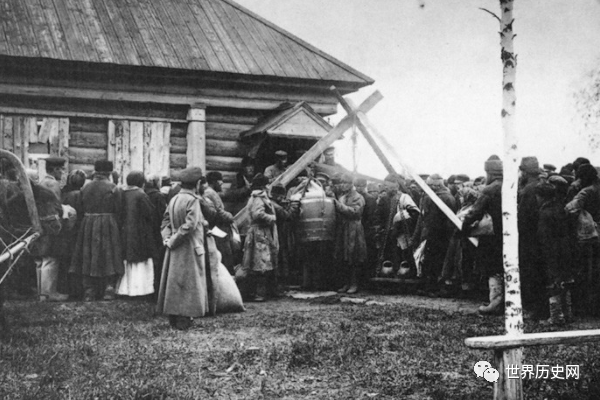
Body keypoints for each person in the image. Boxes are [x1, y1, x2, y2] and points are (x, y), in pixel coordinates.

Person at [157, 167, 208, 330]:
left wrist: (167, 238)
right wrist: (173, 240)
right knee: (188, 283)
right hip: (189, 247)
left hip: (174, 248)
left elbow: (165, 222)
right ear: (197, 183)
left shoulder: (174, 199)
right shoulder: (193, 200)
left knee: (175, 282)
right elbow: (190, 225)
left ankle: (174, 316)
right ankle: (183, 318)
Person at [70, 160, 123, 302]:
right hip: (108, 223)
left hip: (88, 223)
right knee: (109, 254)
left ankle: (89, 290)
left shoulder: (85, 188)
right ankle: (109, 289)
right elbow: (119, 209)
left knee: (88, 254)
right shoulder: (113, 188)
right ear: (109, 172)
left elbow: (80, 207)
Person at [462, 155, 504, 315]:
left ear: (489, 173)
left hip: (492, 236)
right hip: (509, 235)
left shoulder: (490, 189)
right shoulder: (511, 186)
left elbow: (475, 212)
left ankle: (495, 302)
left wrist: (464, 227)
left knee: (493, 268)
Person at [536, 180, 575, 325]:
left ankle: (556, 316)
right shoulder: (561, 209)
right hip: (565, 249)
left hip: (551, 251)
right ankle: (568, 313)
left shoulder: (545, 213)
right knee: (565, 281)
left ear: (541, 197)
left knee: (553, 282)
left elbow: (544, 237)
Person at [412, 174, 456, 295]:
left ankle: (433, 288)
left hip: (438, 234)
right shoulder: (442, 197)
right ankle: (430, 287)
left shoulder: (442, 197)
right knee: (431, 261)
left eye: (430, 185)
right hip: (435, 234)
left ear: (436, 186)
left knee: (434, 261)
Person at [564, 163, 600, 317]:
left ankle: (585, 308)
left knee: (585, 271)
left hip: (588, 236)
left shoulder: (586, 192)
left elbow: (570, 208)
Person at [115, 171, 157, 298]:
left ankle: (125, 289)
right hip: (140, 232)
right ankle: (140, 290)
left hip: (124, 231)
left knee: (127, 260)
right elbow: (150, 214)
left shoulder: (122, 193)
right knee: (140, 260)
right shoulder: (141, 194)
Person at [242, 174, 279, 302]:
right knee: (261, 262)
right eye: (267, 184)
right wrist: (272, 218)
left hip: (261, 232)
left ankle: (265, 292)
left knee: (262, 261)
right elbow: (258, 214)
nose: (269, 186)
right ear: (263, 186)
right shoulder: (259, 197)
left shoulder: (258, 196)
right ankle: (259, 293)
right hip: (259, 232)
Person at [517, 156, 544, 319]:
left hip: (529, 238)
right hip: (541, 236)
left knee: (531, 272)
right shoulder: (541, 185)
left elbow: (523, 217)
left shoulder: (528, 190)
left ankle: (535, 309)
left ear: (525, 172)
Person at [334, 174, 367, 294]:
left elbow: (355, 212)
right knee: (344, 256)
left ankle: (354, 284)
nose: (343, 185)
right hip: (343, 228)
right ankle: (346, 283)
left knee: (354, 257)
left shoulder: (358, 197)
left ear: (351, 184)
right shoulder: (342, 197)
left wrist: (338, 205)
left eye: (346, 183)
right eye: (342, 183)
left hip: (354, 228)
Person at [270, 184, 300, 294]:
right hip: (279, 235)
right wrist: (294, 205)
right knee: (281, 258)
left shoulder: (272, 203)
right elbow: (288, 216)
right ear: (278, 195)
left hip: (277, 234)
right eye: (282, 196)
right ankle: (280, 285)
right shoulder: (276, 206)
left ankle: (279, 285)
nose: (283, 198)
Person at [204, 171, 236, 272]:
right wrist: (230, 217)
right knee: (224, 254)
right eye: (220, 181)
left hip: (217, 228)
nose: (222, 184)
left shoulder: (210, 192)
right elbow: (219, 212)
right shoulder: (210, 193)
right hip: (218, 229)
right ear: (215, 182)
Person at [145, 175, 167, 296]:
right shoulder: (159, 196)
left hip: (146, 231)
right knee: (157, 259)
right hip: (156, 230)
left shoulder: (144, 193)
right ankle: (156, 288)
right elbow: (163, 214)